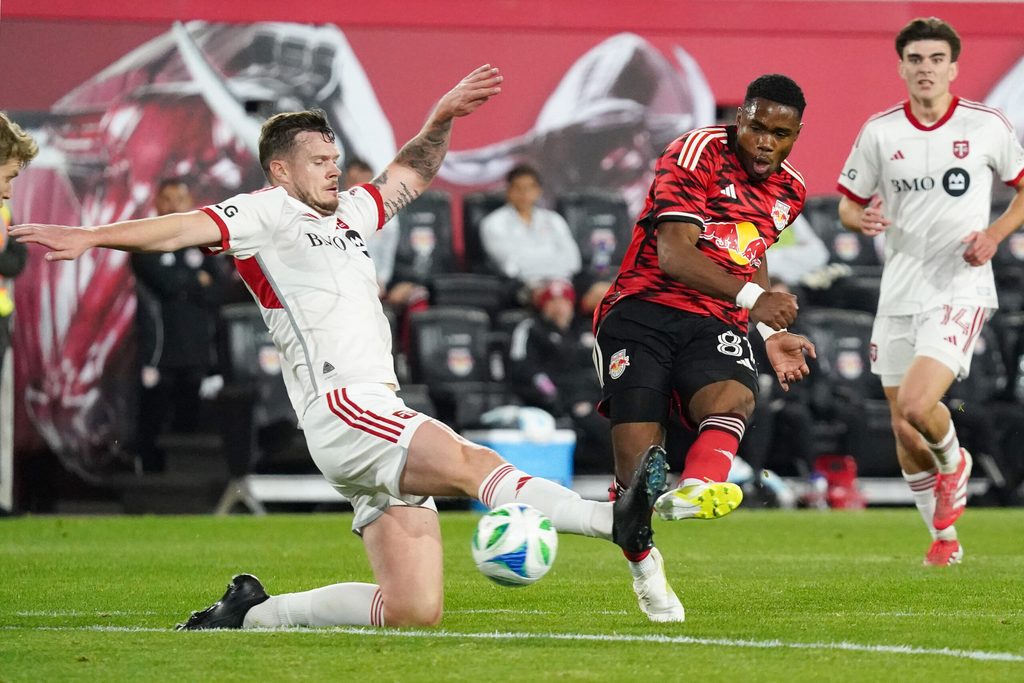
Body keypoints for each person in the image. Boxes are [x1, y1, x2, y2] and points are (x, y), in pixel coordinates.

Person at [12, 66, 665, 628]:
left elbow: (411, 172)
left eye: (334, 158)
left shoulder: (350, 212)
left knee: (412, 609)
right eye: (319, 161)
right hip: (343, 406)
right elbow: (182, 227)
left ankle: (252, 613)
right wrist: (93, 237)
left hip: (375, 412)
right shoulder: (266, 212)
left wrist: (440, 119)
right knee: (474, 462)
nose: (333, 169)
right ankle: (609, 519)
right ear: (280, 169)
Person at [593, 74, 817, 622]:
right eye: (757, 127)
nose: (765, 143)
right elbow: (674, 253)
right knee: (636, 479)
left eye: (780, 134)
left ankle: (701, 484)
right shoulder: (697, 151)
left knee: (735, 396)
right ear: (739, 119)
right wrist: (757, 301)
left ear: (796, 135)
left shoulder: (791, 190)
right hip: (643, 309)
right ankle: (644, 566)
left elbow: (751, 250)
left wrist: (770, 335)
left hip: (715, 317)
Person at [836, 17, 1024, 566]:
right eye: (916, 59)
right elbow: (848, 203)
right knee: (903, 425)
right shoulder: (880, 131)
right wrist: (859, 220)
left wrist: (994, 235)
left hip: (959, 285)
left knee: (921, 404)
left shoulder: (985, 125)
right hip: (899, 288)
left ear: (953, 68)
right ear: (901, 67)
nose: (926, 69)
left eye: (936, 59)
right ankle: (944, 539)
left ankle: (954, 462)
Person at [129, 178, 226, 473]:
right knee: (153, 415)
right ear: (157, 203)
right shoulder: (145, 241)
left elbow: (219, 288)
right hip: (158, 351)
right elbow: (165, 284)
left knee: (190, 419)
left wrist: (188, 282)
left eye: (179, 199)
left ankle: (184, 479)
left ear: (189, 202)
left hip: (197, 352)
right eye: (167, 199)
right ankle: (149, 477)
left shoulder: (202, 242)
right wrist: (196, 280)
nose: (173, 205)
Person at [507, 279, 612, 474]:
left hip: (594, 395)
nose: (559, 307)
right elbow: (526, 370)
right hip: (558, 398)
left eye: (564, 301)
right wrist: (554, 396)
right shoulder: (532, 329)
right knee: (597, 422)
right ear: (543, 305)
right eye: (553, 301)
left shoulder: (584, 330)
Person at [480, 164, 582, 287]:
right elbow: (510, 267)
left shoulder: (554, 219)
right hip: (521, 285)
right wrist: (551, 257)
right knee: (555, 297)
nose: (524, 193)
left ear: (539, 191)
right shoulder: (494, 223)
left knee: (602, 292)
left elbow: (573, 262)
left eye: (529, 188)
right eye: (518, 188)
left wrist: (527, 258)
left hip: (563, 282)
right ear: (508, 191)